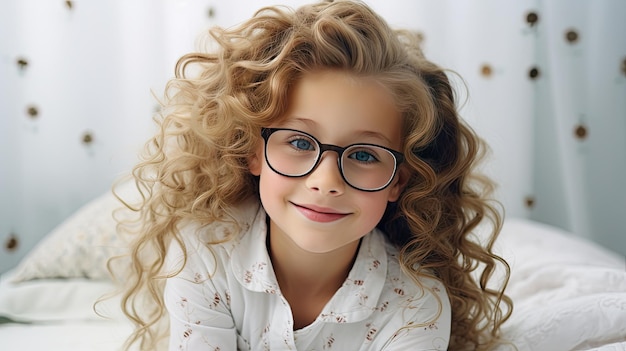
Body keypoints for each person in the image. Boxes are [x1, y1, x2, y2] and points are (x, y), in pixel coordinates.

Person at [111, 1, 513, 350]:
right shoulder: (205, 250)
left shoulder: (417, 306)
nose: (326, 181)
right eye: (301, 143)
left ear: (398, 182)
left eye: (363, 154)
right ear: (254, 151)